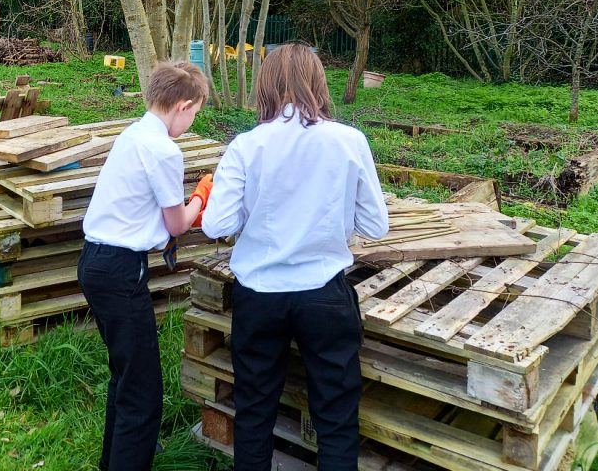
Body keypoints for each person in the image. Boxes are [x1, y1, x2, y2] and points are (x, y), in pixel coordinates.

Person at [200, 44, 388, 471]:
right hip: (324, 292)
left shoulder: (246, 146)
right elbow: (376, 226)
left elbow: (216, 225)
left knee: (254, 411)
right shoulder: (349, 141)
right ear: (319, 81)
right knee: (337, 418)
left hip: (260, 293)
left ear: (265, 84)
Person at [78, 61, 213, 471]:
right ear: (184, 105)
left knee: (124, 374)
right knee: (143, 392)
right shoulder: (163, 150)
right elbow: (177, 225)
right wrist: (202, 197)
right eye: (195, 114)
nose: (191, 122)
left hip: (95, 262)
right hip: (121, 270)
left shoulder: (133, 135)